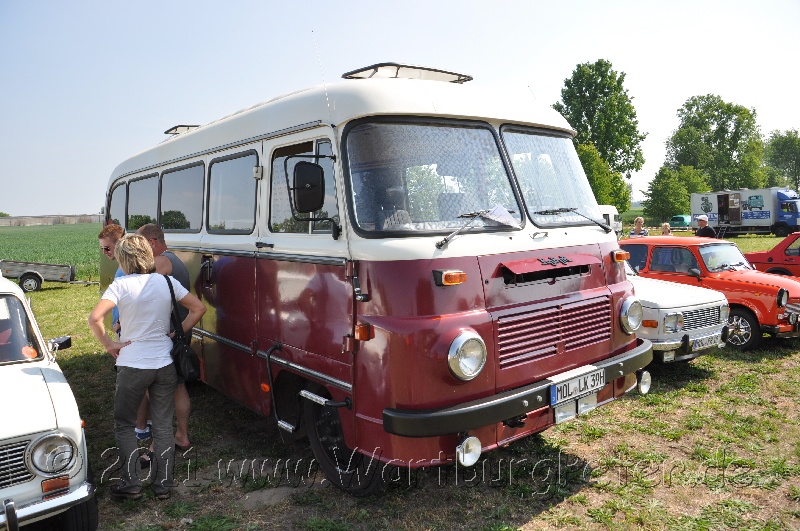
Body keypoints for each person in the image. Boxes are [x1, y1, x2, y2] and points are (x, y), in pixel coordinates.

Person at [88, 234, 205, 500]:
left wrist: (108, 344)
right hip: (164, 363)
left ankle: (131, 483)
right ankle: (163, 485)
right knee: (164, 426)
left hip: (132, 364)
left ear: (123, 259)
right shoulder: (166, 281)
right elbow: (198, 309)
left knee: (124, 424)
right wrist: (176, 333)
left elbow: (94, 318)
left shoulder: (120, 285)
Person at [135, 224, 193, 452]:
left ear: (152, 242)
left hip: (166, 336)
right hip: (177, 334)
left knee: (158, 390)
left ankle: (160, 440)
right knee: (178, 387)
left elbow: (141, 295)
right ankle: (181, 435)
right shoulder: (174, 260)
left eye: (141, 246)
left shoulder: (161, 262)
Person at [98, 224, 125, 335]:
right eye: (102, 248)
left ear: (119, 244)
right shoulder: (122, 266)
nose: (104, 252)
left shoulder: (126, 269)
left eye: (107, 248)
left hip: (125, 331)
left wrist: (119, 322)